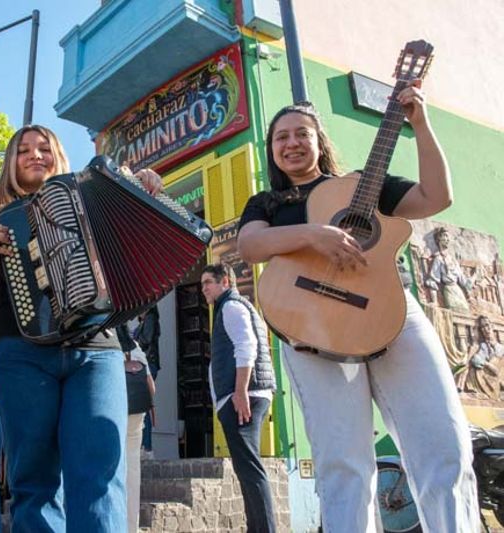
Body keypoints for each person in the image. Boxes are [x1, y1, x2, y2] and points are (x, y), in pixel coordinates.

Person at [236, 87, 479, 531]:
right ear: (272, 150)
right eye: (281, 138)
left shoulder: (361, 186)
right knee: (343, 464)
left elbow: (436, 196)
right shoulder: (268, 203)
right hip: (312, 330)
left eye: (301, 134)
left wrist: (420, 123)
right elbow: (250, 245)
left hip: (392, 316)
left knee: (444, 447)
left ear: (319, 141)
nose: (291, 144)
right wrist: (315, 235)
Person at [0, 125, 162, 532]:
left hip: (96, 350)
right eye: (23, 150)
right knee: (33, 480)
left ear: (58, 155)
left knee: (100, 471)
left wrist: (147, 192)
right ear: (11, 162)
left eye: (44, 148)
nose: (34, 155)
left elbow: (139, 243)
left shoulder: (94, 199)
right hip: (20, 353)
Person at [200, 263, 276, 532]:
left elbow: (247, 347)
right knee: (247, 471)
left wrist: (240, 390)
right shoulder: (229, 307)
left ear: (225, 283)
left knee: (251, 470)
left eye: (208, 282)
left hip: (244, 396)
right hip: (242, 395)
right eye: (202, 284)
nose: (204, 288)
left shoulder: (231, 307)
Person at [117, 324, 154, 533]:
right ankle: (131, 527)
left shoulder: (109, 350)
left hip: (116, 411)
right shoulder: (137, 349)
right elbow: (152, 388)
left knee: (116, 469)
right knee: (133, 471)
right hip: (137, 414)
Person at [134, 305, 160, 456]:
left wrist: (134, 344)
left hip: (147, 365)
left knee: (144, 406)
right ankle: (145, 446)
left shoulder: (151, 319)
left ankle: (147, 447)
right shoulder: (143, 322)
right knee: (143, 405)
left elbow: (146, 339)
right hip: (145, 364)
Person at [458, 316, 504, 398]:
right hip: (484, 377)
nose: (485, 329)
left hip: (496, 378)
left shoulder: (501, 348)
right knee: (469, 364)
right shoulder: (482, 346)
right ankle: (461, 386)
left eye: (487, 325)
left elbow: (497, 371)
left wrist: (485, 363)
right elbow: (476, 360)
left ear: (492, 326)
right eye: (482, 327)